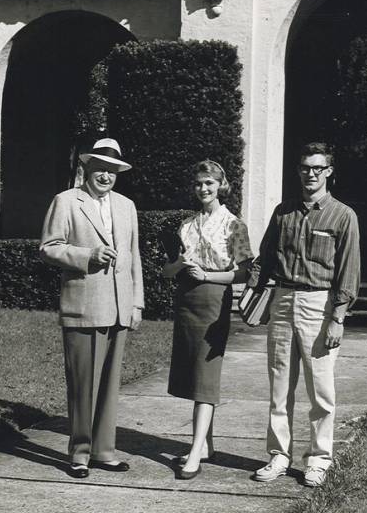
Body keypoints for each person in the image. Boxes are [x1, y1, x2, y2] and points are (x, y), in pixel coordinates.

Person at [250, 142, 360, 488]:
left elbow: (349, 271)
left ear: (329, 171)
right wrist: (246, 289)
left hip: (320, 304)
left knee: (321, 390)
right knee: (279, 386)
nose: (310, 174)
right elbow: (264, 258)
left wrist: (338, 318)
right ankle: (278, 456)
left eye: (318, 168)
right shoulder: (283, 212)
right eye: (305, 168)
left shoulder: (343, 215)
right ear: (298, 171)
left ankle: (319, 459)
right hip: (282, 300)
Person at [39, 137, 144, 479]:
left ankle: (104, 451)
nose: (106, 175)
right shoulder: (67, 201)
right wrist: (87, 256)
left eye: (112, 170)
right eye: (100, 168)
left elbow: (134, 258)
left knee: (111, 385)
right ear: (87, 168)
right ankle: (80, 454)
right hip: (83, 306)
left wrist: (137, 303)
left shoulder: (127, 206)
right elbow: (48, 248)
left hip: (118, 307)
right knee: (84, 384)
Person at [162, 159, 253, 480]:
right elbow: (167, 271)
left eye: (209, 184)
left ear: (220, 186)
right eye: (199, 183)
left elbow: (245, 270)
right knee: (193, 374)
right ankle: (207, 445)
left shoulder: (234, 225)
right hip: (186, 301)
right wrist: (179, 264)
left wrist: (210, 275)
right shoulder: (186, 225)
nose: (203, 189)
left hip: (214, 303)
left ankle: (196, 452)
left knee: (205, 377)